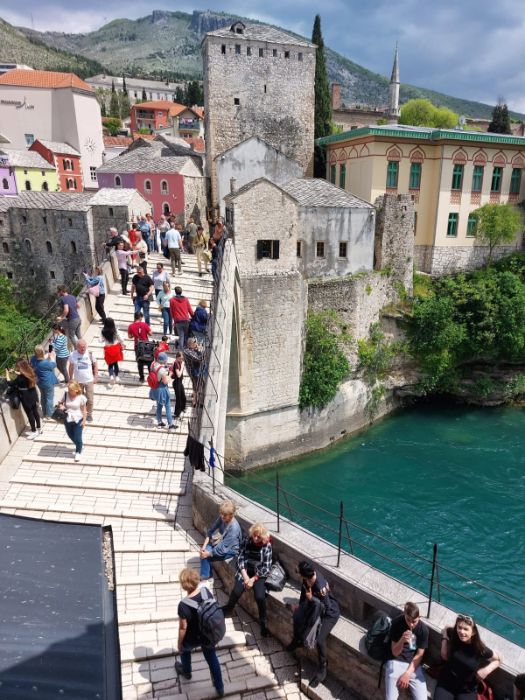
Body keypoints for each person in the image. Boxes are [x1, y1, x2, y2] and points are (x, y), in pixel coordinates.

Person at [286, 560, 340, 687]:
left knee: (320, 640)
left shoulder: (320, 586)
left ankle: (323, 667)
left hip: (329, 613)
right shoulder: (306, 579)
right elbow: (303, 594)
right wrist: (301, 607)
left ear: (305, 575)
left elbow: (326, 607)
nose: (298, 574)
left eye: (299, 572)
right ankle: (297, 641)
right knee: (298, 617)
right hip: (315, 606)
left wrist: (312, 599)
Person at [176, 568, 224, 697]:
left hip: (192, 637)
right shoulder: (205, 591)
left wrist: (179, 643)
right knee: (212, 658)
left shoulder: (183, 605)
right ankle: (220, 688)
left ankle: (187, 672)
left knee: (184, 650)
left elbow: (183, 627)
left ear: (184, 585)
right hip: (207, 634)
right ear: (197, 580)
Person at [222, 522, 272, 637]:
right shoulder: (247, 540)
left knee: (260, 596)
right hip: (245, 570)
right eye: (254, 535)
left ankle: (263, 621)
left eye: (258, 537)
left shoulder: (267, 546)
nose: (255, 538)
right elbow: (240, 557)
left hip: (258, 574)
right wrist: (245, 576)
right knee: (236, 591)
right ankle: (229, 608)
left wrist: (253, 579)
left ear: (263, 537)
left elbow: (266, 567)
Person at [434, 614, 500, 700]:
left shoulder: (480, 648)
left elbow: (498, 659)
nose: (461, 632)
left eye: (466, 629)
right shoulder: (455, 635)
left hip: (467, 688)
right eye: (459, 627)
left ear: (473, 632)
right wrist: (444, 640)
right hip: (447, 682)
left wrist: (486, 670)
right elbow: (446, 629)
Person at [385, 602, 428, 700]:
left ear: (419, 617)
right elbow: (394, 652)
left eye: (414, 621)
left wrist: (408, 673)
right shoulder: (396, 623)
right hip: (396, 661)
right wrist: (402, 640)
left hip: (413, 664)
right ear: (404, 614)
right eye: (408, 620)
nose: (411, 624)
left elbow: (420, 654)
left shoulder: (423, 630)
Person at [199, 500, 242, 582]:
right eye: (221, 513)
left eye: (225, 515)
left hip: (230, 549)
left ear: (231, 515)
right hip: (221, 542)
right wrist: (204, 546)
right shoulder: (223, 517)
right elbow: (211, 530)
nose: (222, 516)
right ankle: (208, 575)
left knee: (205, 556)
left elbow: (223, 549)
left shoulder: (234, 529)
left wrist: (208, 554)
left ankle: (205, 577)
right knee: (203, 552)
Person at [6, 360, 41, 439]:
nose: (17, 369)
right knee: (35, 412)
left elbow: (10, 383)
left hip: (25, 397)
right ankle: (39, 429)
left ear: (21, 368)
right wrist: (14, 372)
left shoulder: (20, 378)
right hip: (33, 394)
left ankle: (34, 431)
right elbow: (22, 375)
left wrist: (7, 374)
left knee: (29, 414)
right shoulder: (30, 373)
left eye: (18, 368)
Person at [68, 338, 98, 423]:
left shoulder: (90, 354)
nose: (83, 349)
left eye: (84, 347)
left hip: (89, 380)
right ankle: (81, 413)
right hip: (78, 382)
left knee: (90, 399)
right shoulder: (73, 355)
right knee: (79, 399)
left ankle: (89, 414)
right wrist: (70, 378)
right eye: (81, 348)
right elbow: (71, 367)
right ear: (77, 347)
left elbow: (95, 365)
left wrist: (96, 376)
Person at [58, 379, 87, 462]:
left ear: (76, 390)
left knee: (77, 436)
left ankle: (78, 452)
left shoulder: (81, 398)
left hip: (78, 420)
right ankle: (80, 445)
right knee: (71, 436)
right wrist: (61, 406)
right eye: (69, 389)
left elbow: (84, 410)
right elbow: (60, 402)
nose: (69, 391)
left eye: (71, 390)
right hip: (67, 419)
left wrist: (84, 421)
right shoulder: (66, 394)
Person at [148, 352, 176, 430]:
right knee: (167, 406)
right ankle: (170, 424)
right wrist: (170, 373)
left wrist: (165, 368)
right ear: (164, 360)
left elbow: (157, 371)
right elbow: (166, 381)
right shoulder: (162, 370)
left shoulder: (153, 364)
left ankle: (159, 423)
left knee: (159, 406)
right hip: (162, 389)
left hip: (154, 388)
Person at [30, 345, 59, 419]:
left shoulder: (33, 359)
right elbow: (53, 365)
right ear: (42, 352)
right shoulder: (45, 363)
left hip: (39, 382)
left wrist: (47, 355)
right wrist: (52, 357)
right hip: (48, 382)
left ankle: (44, 412)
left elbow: (40, 359)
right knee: (49, 398)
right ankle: (49, 414)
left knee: (43, 396)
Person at [127, 310, 153, 383]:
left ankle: (141, 378)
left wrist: (134, 335)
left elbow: (129, 336)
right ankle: (151, 377)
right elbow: (151, 333)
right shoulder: (144, 324)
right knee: (149, 361)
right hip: (146, 346)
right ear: (140, 317)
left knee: (140, 362)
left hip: (137, 346)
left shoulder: (130, 326)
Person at [100, 318, 125, 385]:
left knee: (110, 363)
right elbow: (121, 338)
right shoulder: (115, 330)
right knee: (115, 363)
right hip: (115, 348)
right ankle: (116, 376)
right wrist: (123, 343)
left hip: (108, 349)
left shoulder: (103, 331)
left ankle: (111, 376)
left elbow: (100, 340)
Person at [56, 285, 81, 349]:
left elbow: (66, 310)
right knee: (79, 335)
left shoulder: (64, 299)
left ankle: (77, 349)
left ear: (61, 291)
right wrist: (73, 309)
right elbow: (78, 306)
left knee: (71, 335)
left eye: (58, 291)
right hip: (78, 318)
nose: (58, 293)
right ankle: (83, 347)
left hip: (72, 320)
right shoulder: (72, 296)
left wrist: (61, 317)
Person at [170, 286, 193, 350]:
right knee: (185, 335)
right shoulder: (186, 299)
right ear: (181, 291)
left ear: (175, 292)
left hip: (178, 321)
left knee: (181, 336)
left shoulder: (172, 300)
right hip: (186, 320)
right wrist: (193, 316)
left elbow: (171, 312)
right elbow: (190, 310)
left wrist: (173, 321)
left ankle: (181, 351)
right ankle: (185, 349)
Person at [172, 351, 186, 419]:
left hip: (180, 382)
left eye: (182, 358)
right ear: (177, 358)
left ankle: (182, 408)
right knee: (178, 399)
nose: (181, 360)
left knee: (183, 396)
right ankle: (176, 414)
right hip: (177, 382)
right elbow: (178, 375)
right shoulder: (176, 364)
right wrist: (182, 366)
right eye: (180, 358)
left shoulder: (180, 362)